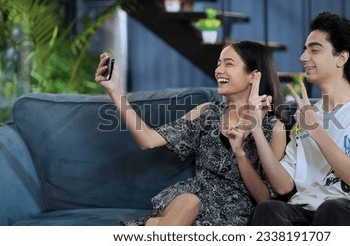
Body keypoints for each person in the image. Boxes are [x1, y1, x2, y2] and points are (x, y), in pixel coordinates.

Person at [94, 40, 287, 226]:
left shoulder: (274, 128)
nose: (219, 70)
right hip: (191, 198)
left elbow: (265, 199)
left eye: (229, 64)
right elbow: (148, 139)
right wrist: (115, 90)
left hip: (235, 215)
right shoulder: (207, 112)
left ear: (253, 75)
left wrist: (241, 153)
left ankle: (153, 227)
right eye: (218, 63)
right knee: (189, 202)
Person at [248, 11, 350, 226]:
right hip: (307, 209)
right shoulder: (307, 115)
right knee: (268, 210)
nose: (303, 58)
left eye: (314, 50)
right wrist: (256, 127)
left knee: (333, 209)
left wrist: (315, 129)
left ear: (341, 58)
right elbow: (283, 186)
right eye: (305, 50)